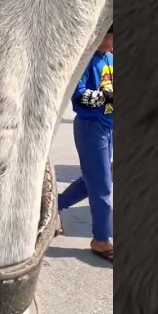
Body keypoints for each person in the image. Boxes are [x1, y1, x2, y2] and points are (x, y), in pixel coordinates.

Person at [57, 26, 113, 262]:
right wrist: (107, 97)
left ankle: (51, 208)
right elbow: (78, 95)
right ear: (103, 34)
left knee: (90, 180)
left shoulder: (110, 57)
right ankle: (101, 240)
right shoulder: (85, 59)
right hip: (91, 127)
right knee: (101, 186)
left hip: (107, 128)